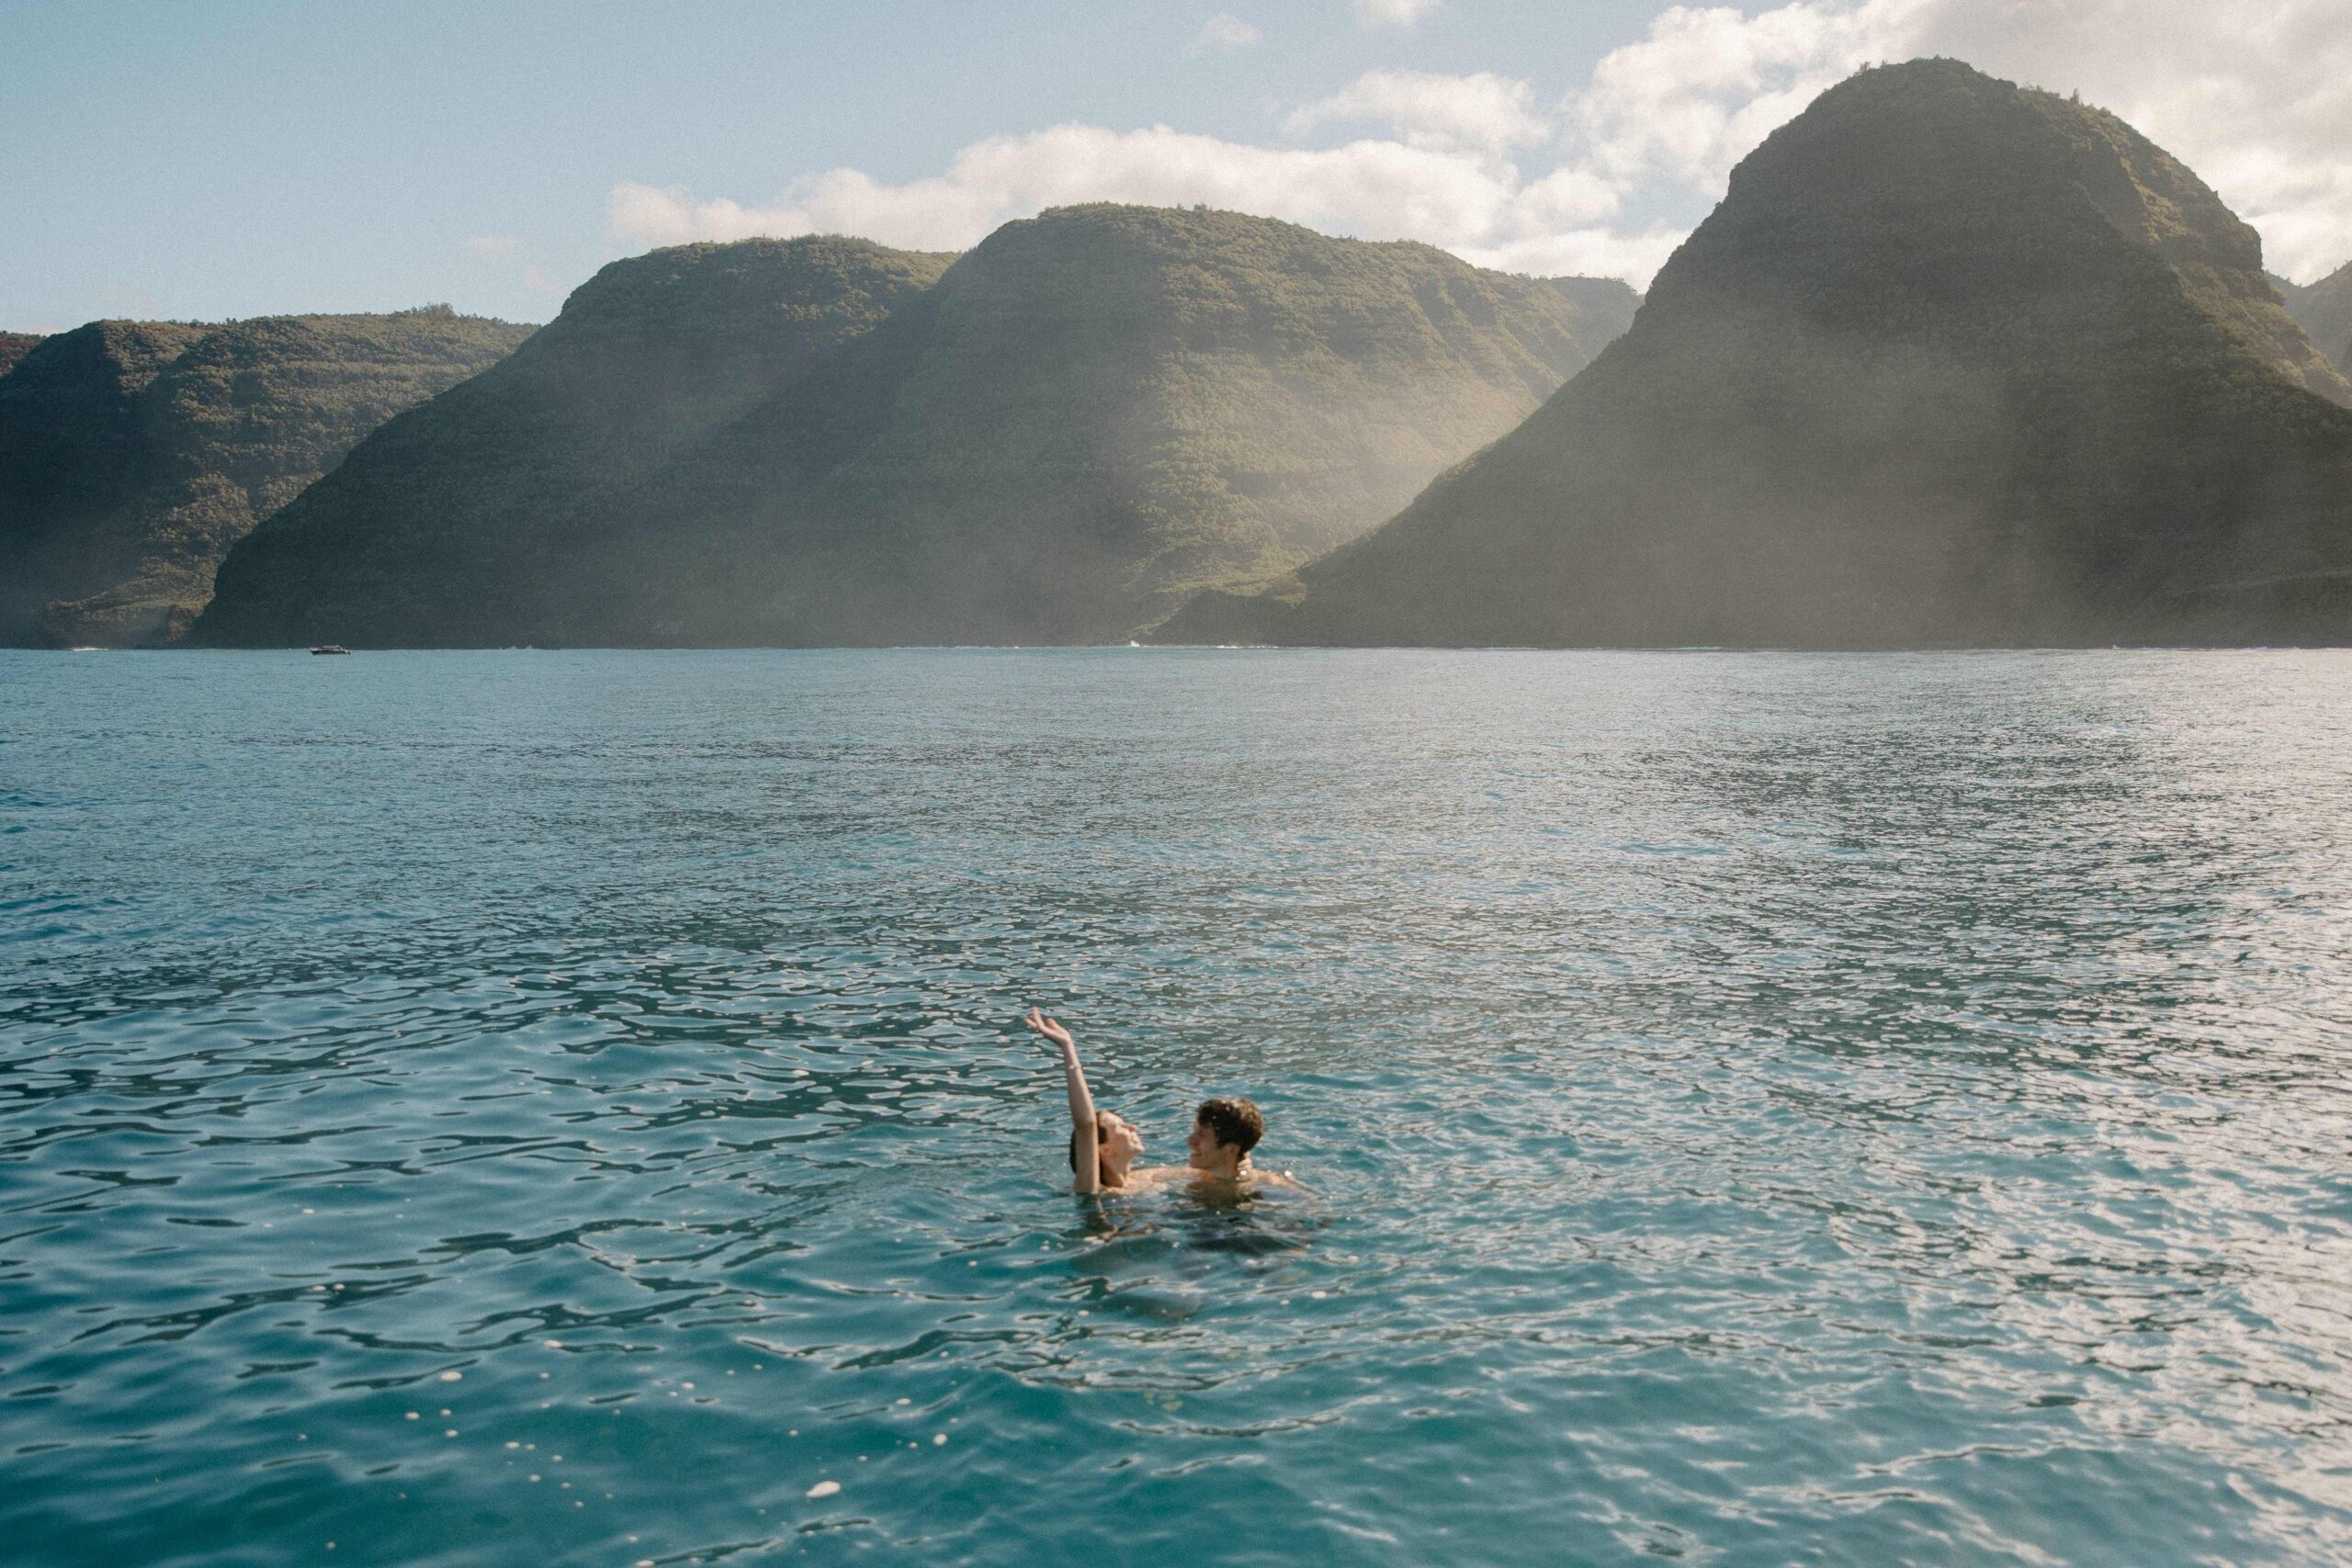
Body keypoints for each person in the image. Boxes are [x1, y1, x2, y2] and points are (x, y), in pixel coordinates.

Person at [1024, 1008, 1295, 1193]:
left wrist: (1241, 1160)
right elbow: (1085, 1125)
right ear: (1103, 1150)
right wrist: (1068, 1049)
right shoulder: (1095, 1190)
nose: (1132, 1127)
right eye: (1119, 1127)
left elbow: (1222, 1170)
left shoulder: (1151, 1175)